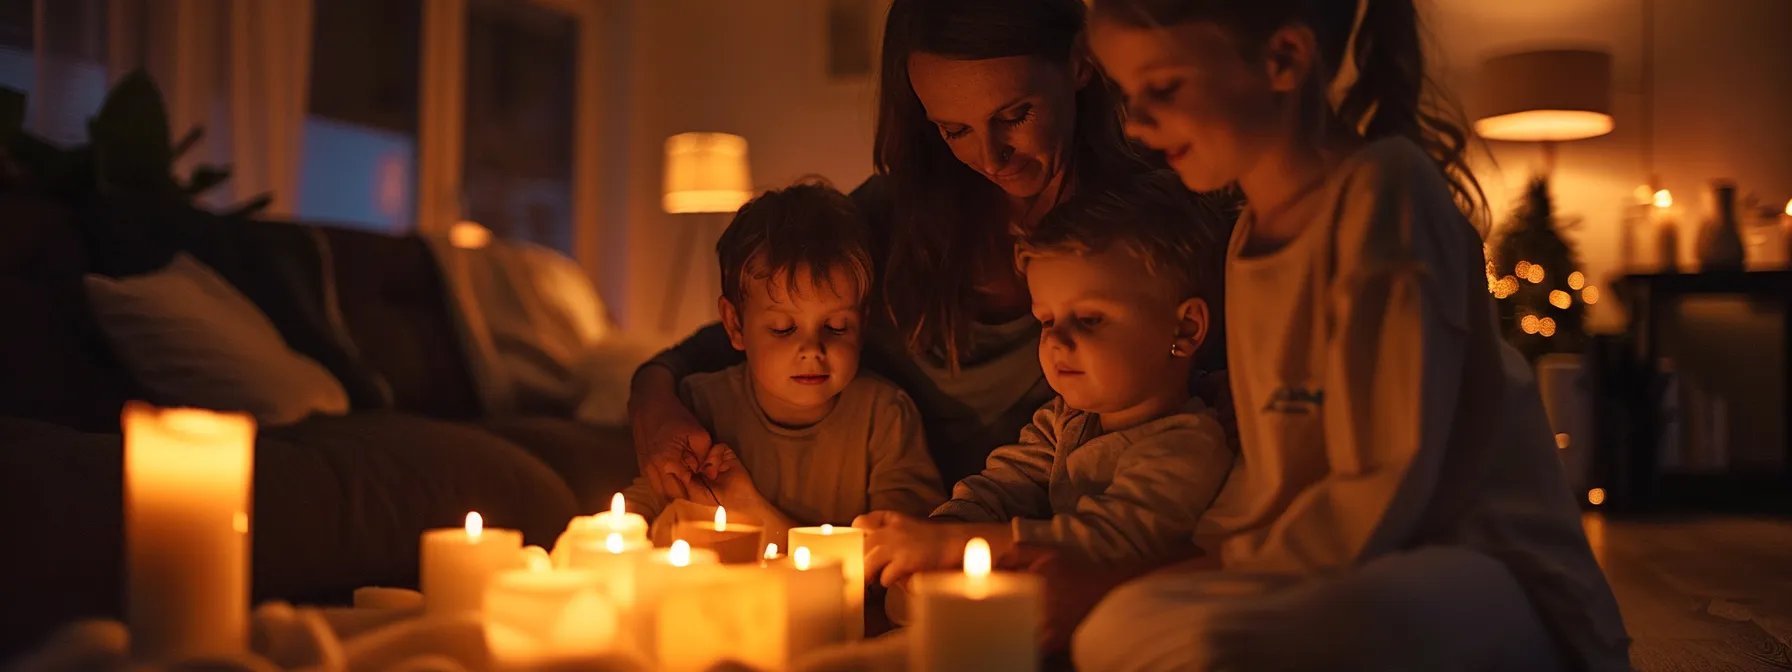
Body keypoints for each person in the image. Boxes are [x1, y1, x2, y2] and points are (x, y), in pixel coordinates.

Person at [1066, 0, 1631, 670]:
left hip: (1478, 564)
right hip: (1341, 557)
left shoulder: (1385, 193)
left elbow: (1387, 482)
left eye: (1163, 88)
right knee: (1116, 630)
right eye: (1129, 95)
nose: (1136, 124)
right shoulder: (1250, 233)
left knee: (1208, 643)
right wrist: (1170, 572)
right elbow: (1283, 469)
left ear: (1284, 60)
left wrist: (1191, 575)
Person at [628, 0, 1185, 503]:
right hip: (905, 537)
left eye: (1014, 115)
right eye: (954, 129)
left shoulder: (1154, 221)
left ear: (1079, 62)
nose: (991, 158)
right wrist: (653, 408)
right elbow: (724, 341)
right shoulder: (894, 215)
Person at [855, 171, 1235, 586]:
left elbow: (1105, 541)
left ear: (1185, 329)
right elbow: (1001, 487)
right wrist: (938, 530)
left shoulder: (1187, 445)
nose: (1056, 340)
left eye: (1089, 319)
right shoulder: (1064, 421)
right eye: (1046, 319)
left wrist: (953, 544)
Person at [620, 181, 944, 543]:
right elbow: (645, 504)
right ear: (735, 324)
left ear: (863, 323)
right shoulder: (701, 407)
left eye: (836, 327)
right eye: (783, 328)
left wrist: (756, 514)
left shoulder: (885, 419)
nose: (812, 349)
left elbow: (901, 549)